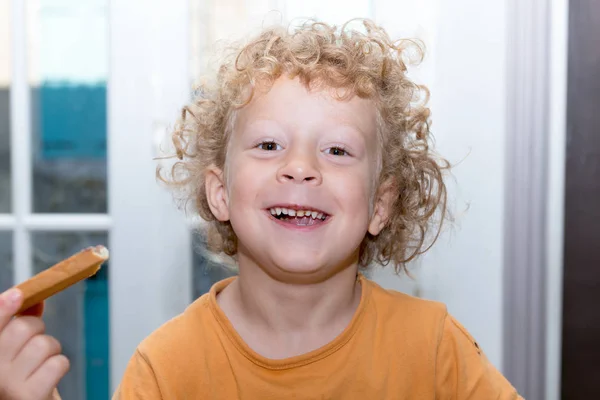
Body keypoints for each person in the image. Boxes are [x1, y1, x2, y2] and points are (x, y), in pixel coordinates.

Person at [0, 19, 522, 399]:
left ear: (380, 206)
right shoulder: (167, 368)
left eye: (336, 151)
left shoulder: (432, 348)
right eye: (269, 146)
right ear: (220, 193)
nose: (299, 167)